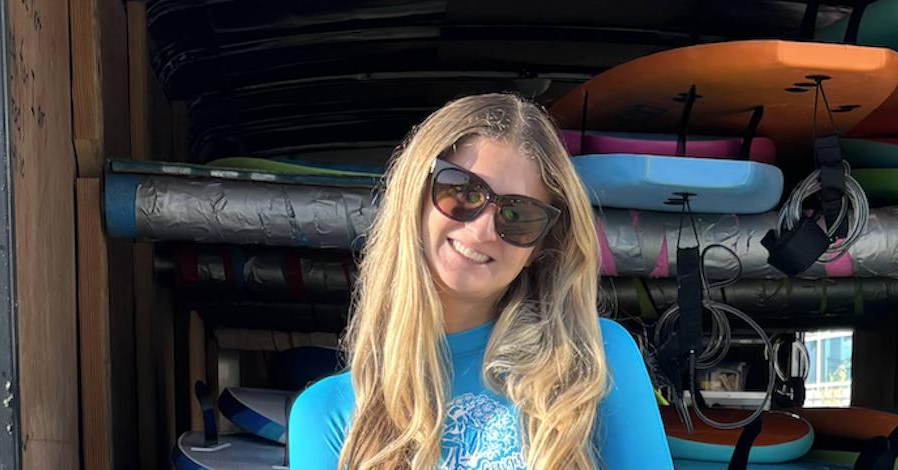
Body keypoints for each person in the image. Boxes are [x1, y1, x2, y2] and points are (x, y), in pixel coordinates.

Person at [288, 93, 672, 469]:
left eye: (518, 215)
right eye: (463, 190)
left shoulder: (595, 359)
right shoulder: (326, 415)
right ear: (414, 193)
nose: (483, 228)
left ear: (539, 248)